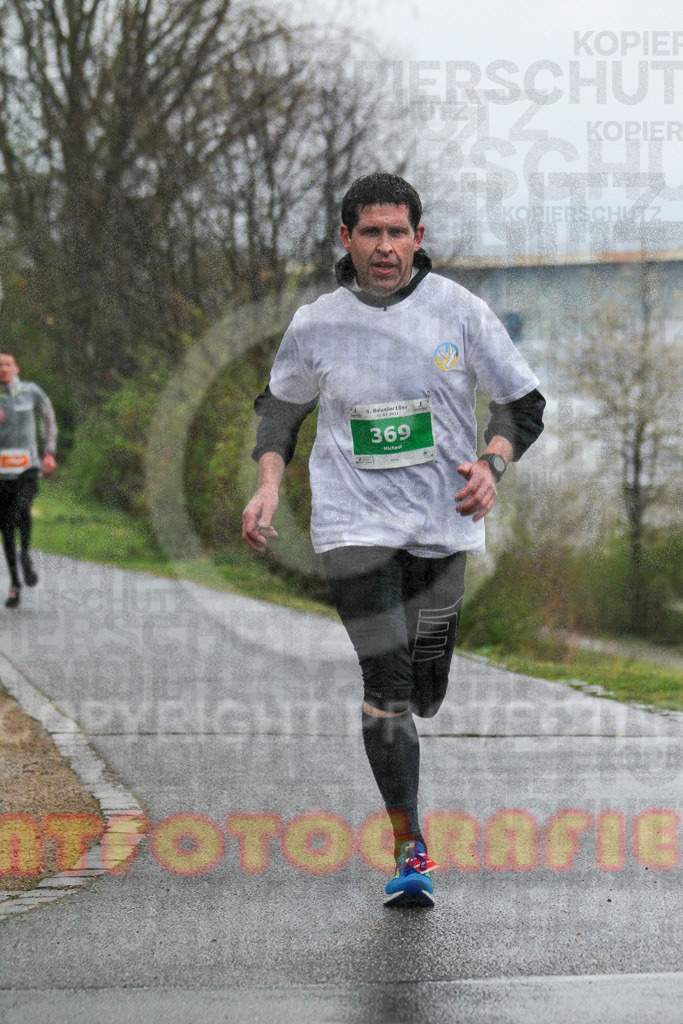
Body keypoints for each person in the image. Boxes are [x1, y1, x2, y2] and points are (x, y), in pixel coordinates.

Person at [242, 174, 545, 907]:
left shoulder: (458, 311)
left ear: (417, 237)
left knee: (425, 679)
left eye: (397, 232)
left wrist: (493, 464)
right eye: (370, 232)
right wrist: (269, 483)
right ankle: (410, 850)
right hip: (352, 527)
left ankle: (419, 688)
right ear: (345, 239)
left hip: (442, 526)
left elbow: (522, 403)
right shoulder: (316, 323)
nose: (385, 246)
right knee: (386, 687)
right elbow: (279, 411)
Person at [0, 352, 57, 608]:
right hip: (1, 472)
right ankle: (14, 583)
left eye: (7, 364)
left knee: (23, 508)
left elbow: (47, 416)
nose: (3, 369)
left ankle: (26, 556)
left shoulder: (31, 391)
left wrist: (49, 451)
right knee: (6, 525)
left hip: (27, 467)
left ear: (16, 368)